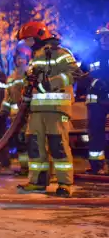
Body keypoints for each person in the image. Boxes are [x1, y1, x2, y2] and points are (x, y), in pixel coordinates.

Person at [16, 21, 83, 197]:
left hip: (56, 109)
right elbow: (30, 82)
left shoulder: (61, 53)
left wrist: (50, 83)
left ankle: (64, 184)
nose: (27, 44)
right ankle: (37, 182)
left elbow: (74, 73)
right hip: (37, 111)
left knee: (58, 145)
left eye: (29, 40)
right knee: (35, 147)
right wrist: (26, 91)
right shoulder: (35, 58)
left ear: (39, 36)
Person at [1, 46, 33, 176]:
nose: (20, 61)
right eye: (18, 59)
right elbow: (7, 96)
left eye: (23, 59)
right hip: (16, 117)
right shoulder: (11, 78)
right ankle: (24, 168)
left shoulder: (31, 75)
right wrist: (4, 110)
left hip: (30, 114)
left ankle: (34, 168)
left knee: (32, 141)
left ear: (27, 60)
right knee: (21, 143)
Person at [83, 25, 109, 175]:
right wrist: (93, 82)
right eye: (102, 37)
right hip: (96, 102)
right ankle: (96, 166)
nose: (105, 40)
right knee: (95, 132)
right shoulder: (91, 55)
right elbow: (81, 76)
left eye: (108, 37)